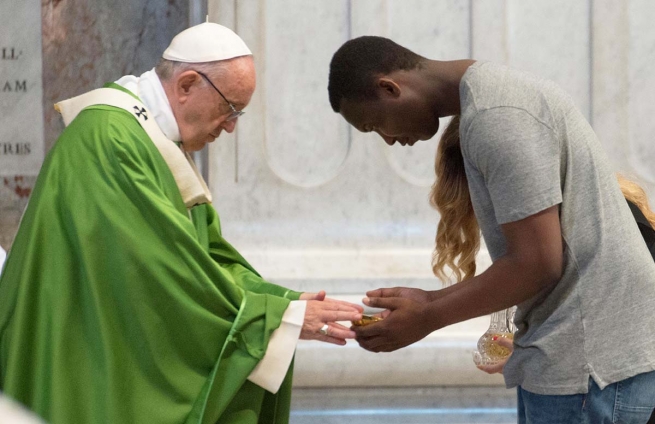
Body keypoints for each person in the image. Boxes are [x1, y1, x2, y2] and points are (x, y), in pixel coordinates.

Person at [0, 23, 363, 424]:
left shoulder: (150, 138)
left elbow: (203, 256)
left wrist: (282, 306)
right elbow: (162, 280)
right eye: (230, 109)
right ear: (187, 84)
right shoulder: (112, 139)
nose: (230, 127)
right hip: (81, 360)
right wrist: (274, 321)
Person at [328, 36, 655, 423]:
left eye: (374, 124)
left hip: (588, 367)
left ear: (390, 88)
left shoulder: (497, 113)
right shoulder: (492, 102)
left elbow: (537, 262)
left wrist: (429, 314)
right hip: (583, 361)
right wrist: (428, 305)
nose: (388, 139)